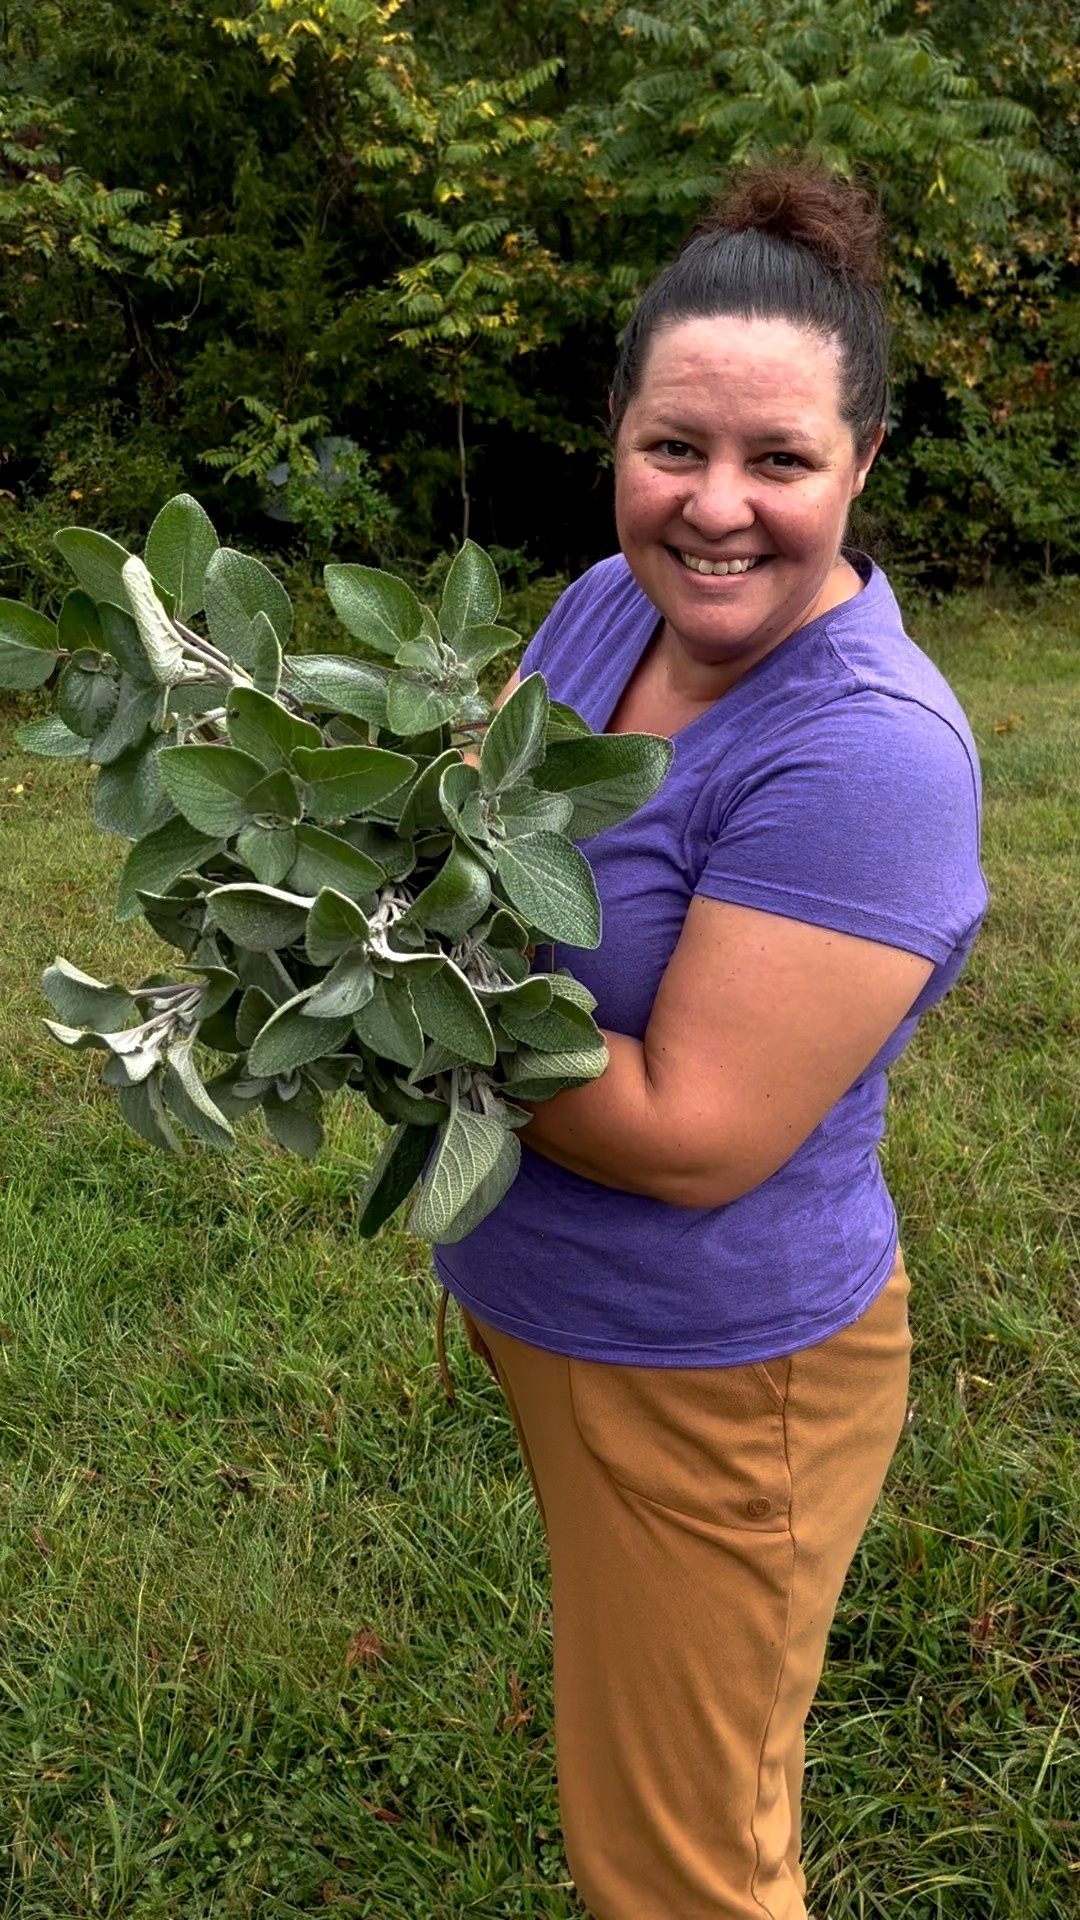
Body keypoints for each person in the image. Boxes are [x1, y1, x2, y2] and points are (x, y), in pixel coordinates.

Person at [434, 163, 988, 1920]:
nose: (718, 507)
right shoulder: (613, 602)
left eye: (781, 459)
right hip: (564, 1315)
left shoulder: (869, 755)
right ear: (616, 436)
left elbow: (689, 1133)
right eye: (675, 447)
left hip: (713, 1378)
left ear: (864, 463)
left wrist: (388, 1003)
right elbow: (470, 821)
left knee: (684, 1875)